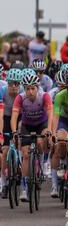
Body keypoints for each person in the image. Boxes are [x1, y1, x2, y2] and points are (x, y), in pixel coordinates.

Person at [10, 74, 53, 201]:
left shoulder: (45, 96)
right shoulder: (20, 98)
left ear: (37, 88)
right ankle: (24, 188)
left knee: (41, 141)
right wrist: (14, 132)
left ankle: (41, 164)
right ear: (24, 88)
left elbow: (50, 114)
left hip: (42, 124)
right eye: (27, 88)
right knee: (26, 155)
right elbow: (14, 116)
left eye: (32, 88)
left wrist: (49, 130)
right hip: (27, 125)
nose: (30, 91)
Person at [0, 69, 22, 198]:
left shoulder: (23, 93)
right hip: (6, 119)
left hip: (20, 118)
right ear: (7, 83)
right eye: (11, 83)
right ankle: (4, 183)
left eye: (17, 83)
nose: (14, 86)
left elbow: (24, 116)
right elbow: (1, 116)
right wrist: (1, 134)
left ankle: (21, 165)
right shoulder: (2, 91)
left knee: (21, 141)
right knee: (4, 151)